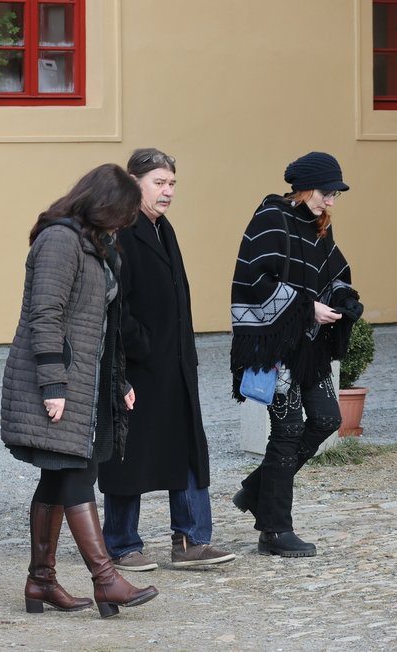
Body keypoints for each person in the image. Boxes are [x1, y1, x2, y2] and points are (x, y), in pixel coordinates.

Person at [0, 164, 159, 619]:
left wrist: (119, 380)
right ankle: (105, 578)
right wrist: (53, 383)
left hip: (87, 383)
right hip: (59, 382)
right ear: (104, 203)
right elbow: (45, 315)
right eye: (124, 213)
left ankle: (41, 581)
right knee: (74, 473)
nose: (126, 223)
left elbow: (102, 326)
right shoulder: (60, 240)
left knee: (59, 475)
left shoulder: (99, 245)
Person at [97, 149, 235, 571]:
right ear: (134, 182)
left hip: (175, 365)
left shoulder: (163, 228)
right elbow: (115, 306)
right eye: (159, 182)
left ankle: (193, 539)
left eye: (172, 183)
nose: (168, 191)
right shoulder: (121, 232)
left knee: (189, 448)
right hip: (137, 366)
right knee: (129, 455)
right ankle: (120, 544)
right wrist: (145, 348)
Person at [230, 151, 362, 557]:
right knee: (285, 435)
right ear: (303, 187)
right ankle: (274, 530)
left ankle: (256, 489)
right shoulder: (270, 219)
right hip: (276, 347)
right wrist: (308, 307)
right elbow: (253, 279)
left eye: (336, 194)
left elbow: (335, 273)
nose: (331, 202)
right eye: (326, 193)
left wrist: (343, 299)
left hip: (310, 348)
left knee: (326, 418)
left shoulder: (320, 225)